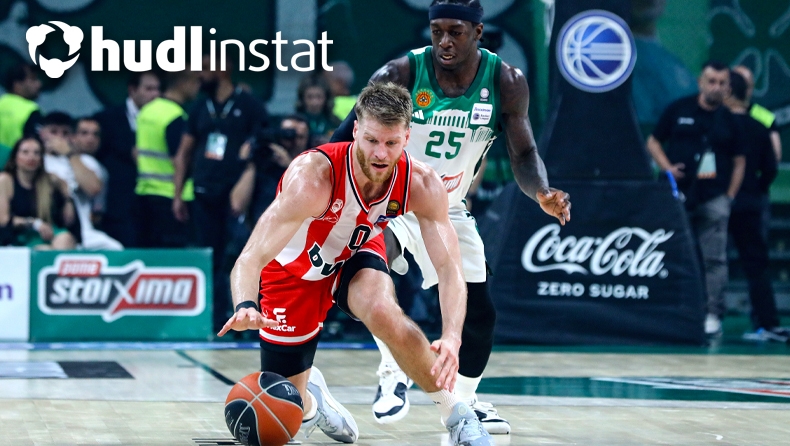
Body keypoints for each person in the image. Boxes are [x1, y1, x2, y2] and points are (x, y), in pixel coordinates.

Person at [330, 0, 571, 433]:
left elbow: (523, 153)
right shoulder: (400, 74)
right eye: (437, 30)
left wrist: (541, 191)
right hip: (389, 200)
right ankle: (393, 369)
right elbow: (342, 139)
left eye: (455, 32)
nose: (444, 41)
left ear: (477, 32)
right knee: (371, 272)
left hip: (447, 206)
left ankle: (464, 401)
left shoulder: (505, 81)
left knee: (480, 315)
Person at [219, 82, 494, 446]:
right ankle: (312, 403)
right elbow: (251, 256)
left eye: (391, 143)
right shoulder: (313, 178)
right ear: (355, 131)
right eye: (371, 140)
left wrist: (452, 336)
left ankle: (457, 415)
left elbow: (449, 268)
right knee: (285, 405)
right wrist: (245, 304)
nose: (380, 153)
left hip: (354, 251)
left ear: (407, 137)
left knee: (382, 310)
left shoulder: (421, 183)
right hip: (291, 273)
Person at [646, 60, 746, 336]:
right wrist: (666, 167)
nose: (716, 87)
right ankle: (668, 309)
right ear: (701, 82)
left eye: (722, 83)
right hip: (676, 196)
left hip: (713, 198)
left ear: (728, 87)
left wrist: (729, 197)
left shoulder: (731, 120)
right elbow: (653, 141)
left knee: (713, 259)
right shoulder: (679, 109)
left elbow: (740, 162)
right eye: (711, 81)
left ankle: (712, 313)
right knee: (669, 253)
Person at [173, 54, 269, 333]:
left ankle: (249, 316)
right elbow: (184, 152)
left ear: (224, 68)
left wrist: (246, 181)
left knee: (241, 253)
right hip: (204, 193)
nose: (199, 74)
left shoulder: (249, 105)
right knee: (210, 257)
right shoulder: (199, 106)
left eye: (205, 68)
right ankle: (214, 321)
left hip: (237, 195)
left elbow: (260, 149)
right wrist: (178, 195)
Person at [726, 70, 788, 342]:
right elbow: (771, 163)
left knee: (753, 262)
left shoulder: (760, 116)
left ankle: (762, 322)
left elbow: (774, 156)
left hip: (741, 200)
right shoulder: (731, 118)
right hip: (747, 198)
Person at [93, 71, 161, 247]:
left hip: (152, 203)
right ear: (132, 90)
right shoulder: (106, 119)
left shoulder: (165, 119)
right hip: (118, 205)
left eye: (157, 89)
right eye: (149, 89)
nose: (155, 94)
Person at [135, 71, 201, 248]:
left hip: (145, 192)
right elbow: (179, 159)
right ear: (183, 83)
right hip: (172, 197)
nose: (199, 87)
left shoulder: (146, 111)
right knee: (175, 255)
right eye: (196, 82)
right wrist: (179, 195)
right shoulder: (174, 116)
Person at [40, 113, 122, 250]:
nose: (59, 137)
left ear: (72, 137)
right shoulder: (35, 160)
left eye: (65, 133)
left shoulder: (84, 161)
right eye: (53, 132)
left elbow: (93, 189)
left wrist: (69, 154)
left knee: (114, 248)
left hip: (83, 233)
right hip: (46, 228)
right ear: (42, 134)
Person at [0, 137, 76, 249]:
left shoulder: (50, 181)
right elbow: (3, 220)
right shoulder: (5, 180)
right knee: (44, 249)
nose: (31, 157)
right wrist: (34, 223)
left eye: (36, 153)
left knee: (65, 238)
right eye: (25, 152)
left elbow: (68, 221)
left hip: (48, 233)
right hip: (18, 236)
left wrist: (67, 195)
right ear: (15, 157)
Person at [731, 65, 782, 162]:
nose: (741, 89)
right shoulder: (718, 111)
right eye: (737, 84)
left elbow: (775, 155)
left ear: (752, 87)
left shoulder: (765, 116)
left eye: (746, 85)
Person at [0, 63, 42, 168]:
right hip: (17, 168)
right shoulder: (30, 110)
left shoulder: (1, 103)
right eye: (33, 79)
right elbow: (37, 144)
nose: (39, 84)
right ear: (17, 85)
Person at [296, 75, 341, 146]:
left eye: (319, 97)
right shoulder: (294, 122)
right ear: (302, 99)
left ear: (326, 98)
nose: (314, 102)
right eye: (310, 97)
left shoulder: (335, 122)